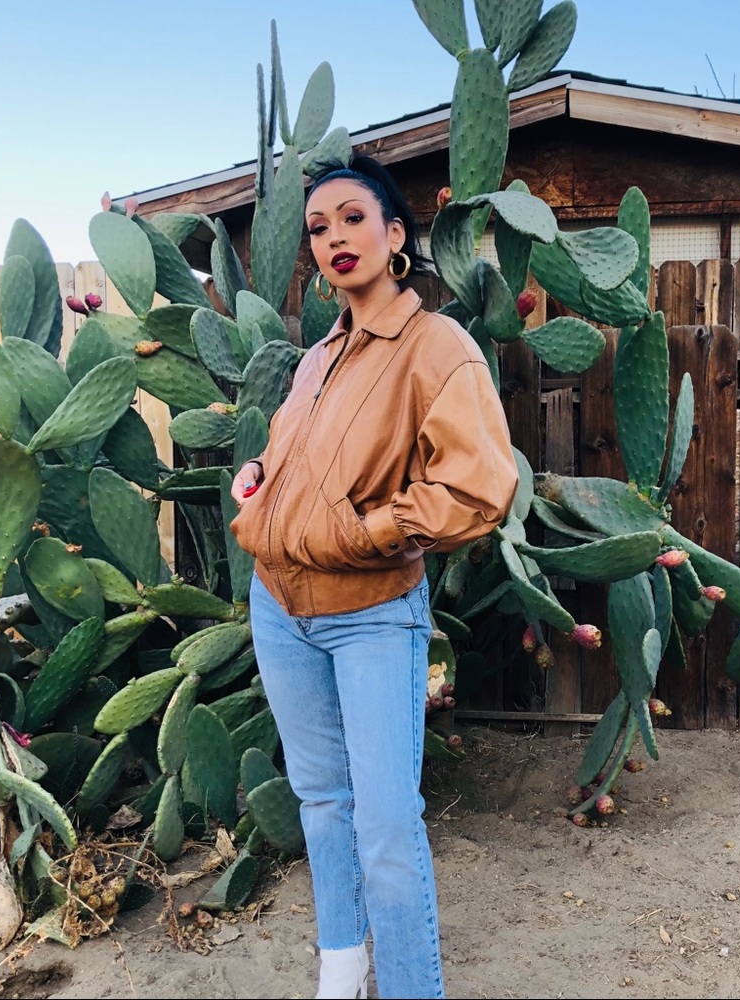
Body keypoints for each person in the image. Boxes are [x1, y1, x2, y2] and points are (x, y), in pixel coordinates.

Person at [228, 153, 519, 1000]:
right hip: (279, 605)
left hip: (370, 614)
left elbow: (478, 487)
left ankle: (410, 987)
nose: (333, 238)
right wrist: (261, 478)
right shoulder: (318, 354)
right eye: (317, 228)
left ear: (396, 236)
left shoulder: (437, 346)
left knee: (388, 825)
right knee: (321, 801)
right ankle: (342, 970)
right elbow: (300, 459)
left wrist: (369, 533)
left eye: (353, 218)